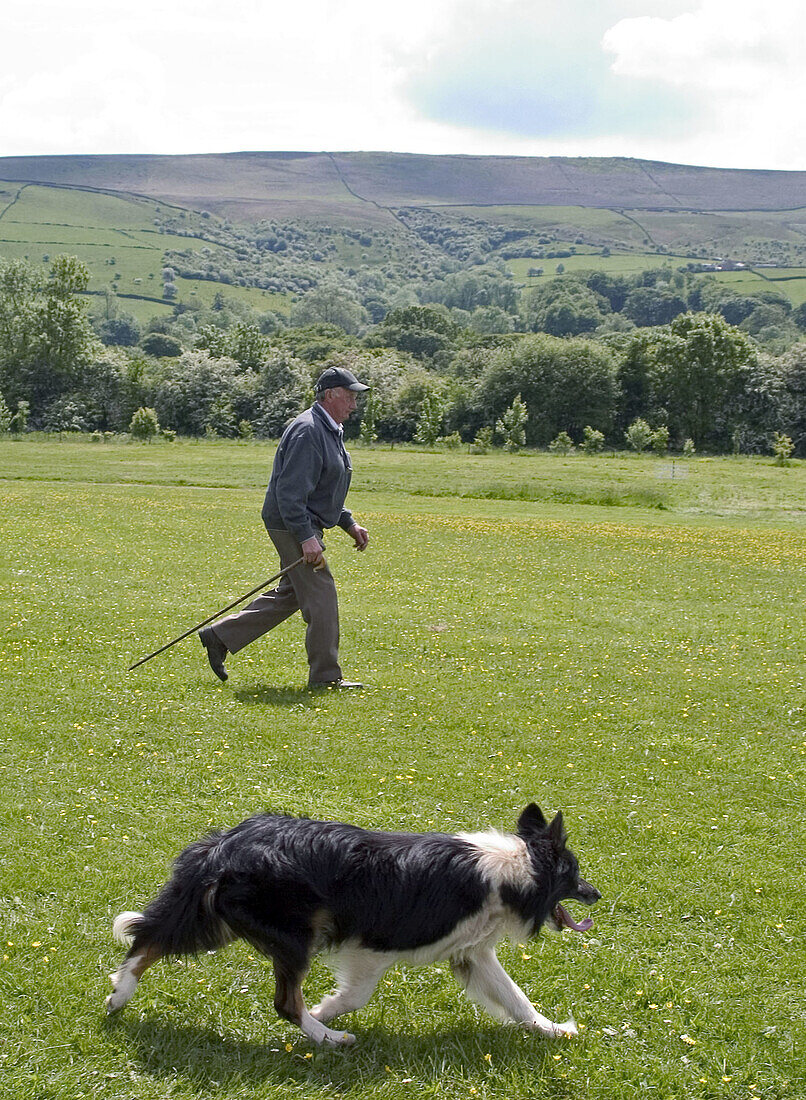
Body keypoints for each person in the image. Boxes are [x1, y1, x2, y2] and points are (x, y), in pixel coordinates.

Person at [199, 366, 370, 689]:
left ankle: (219, 636)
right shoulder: (308, 431)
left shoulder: (328, 429)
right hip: (291, 524)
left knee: (293, 595)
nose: (353, 405)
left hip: (301, 522)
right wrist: (306, 537)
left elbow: (323, 488)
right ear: (330, 395)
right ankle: (326, 678)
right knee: (321, 597)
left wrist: (348, 522)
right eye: (349, 397)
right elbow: (290, 494)